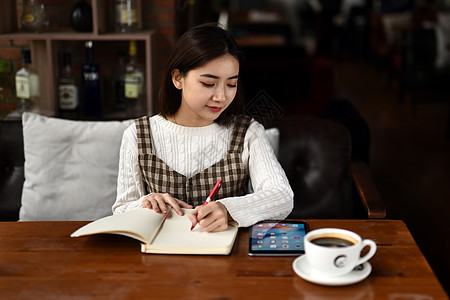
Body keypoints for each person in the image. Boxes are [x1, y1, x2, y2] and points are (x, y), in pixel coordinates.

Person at [112, 23, 293, 232]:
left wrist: (228, 209)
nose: (221, 96)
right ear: (178, 78)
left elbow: (282, 196)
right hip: (161, 256)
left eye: (231, 84)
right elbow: (122, 209)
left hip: (226, 255)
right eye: (208, 83)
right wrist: (145, 203)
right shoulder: (138, 135)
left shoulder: (248, 132)